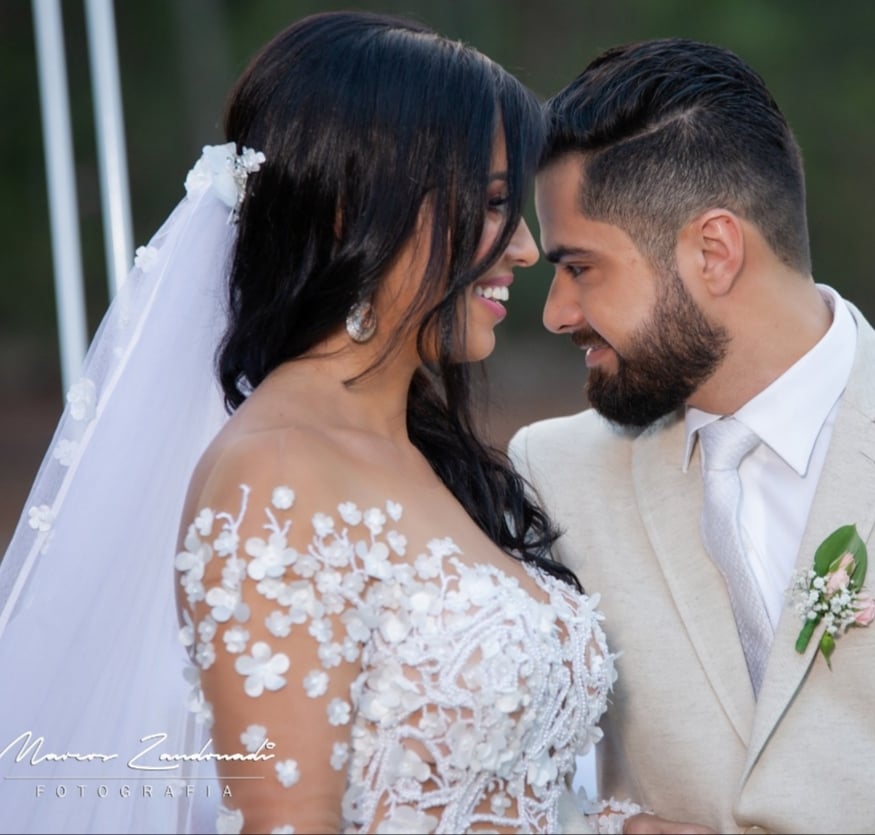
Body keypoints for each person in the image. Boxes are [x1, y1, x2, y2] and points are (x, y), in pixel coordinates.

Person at [0, 12, 707, 835]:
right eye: (487, 206)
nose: (521, 248)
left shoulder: (438, 460)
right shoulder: (273, 478)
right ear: (353, 211)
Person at [510, 36, 875, 835]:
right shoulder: (548, 473)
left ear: (713, 251)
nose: (557, 314)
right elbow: (509, 776)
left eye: (580, 267)